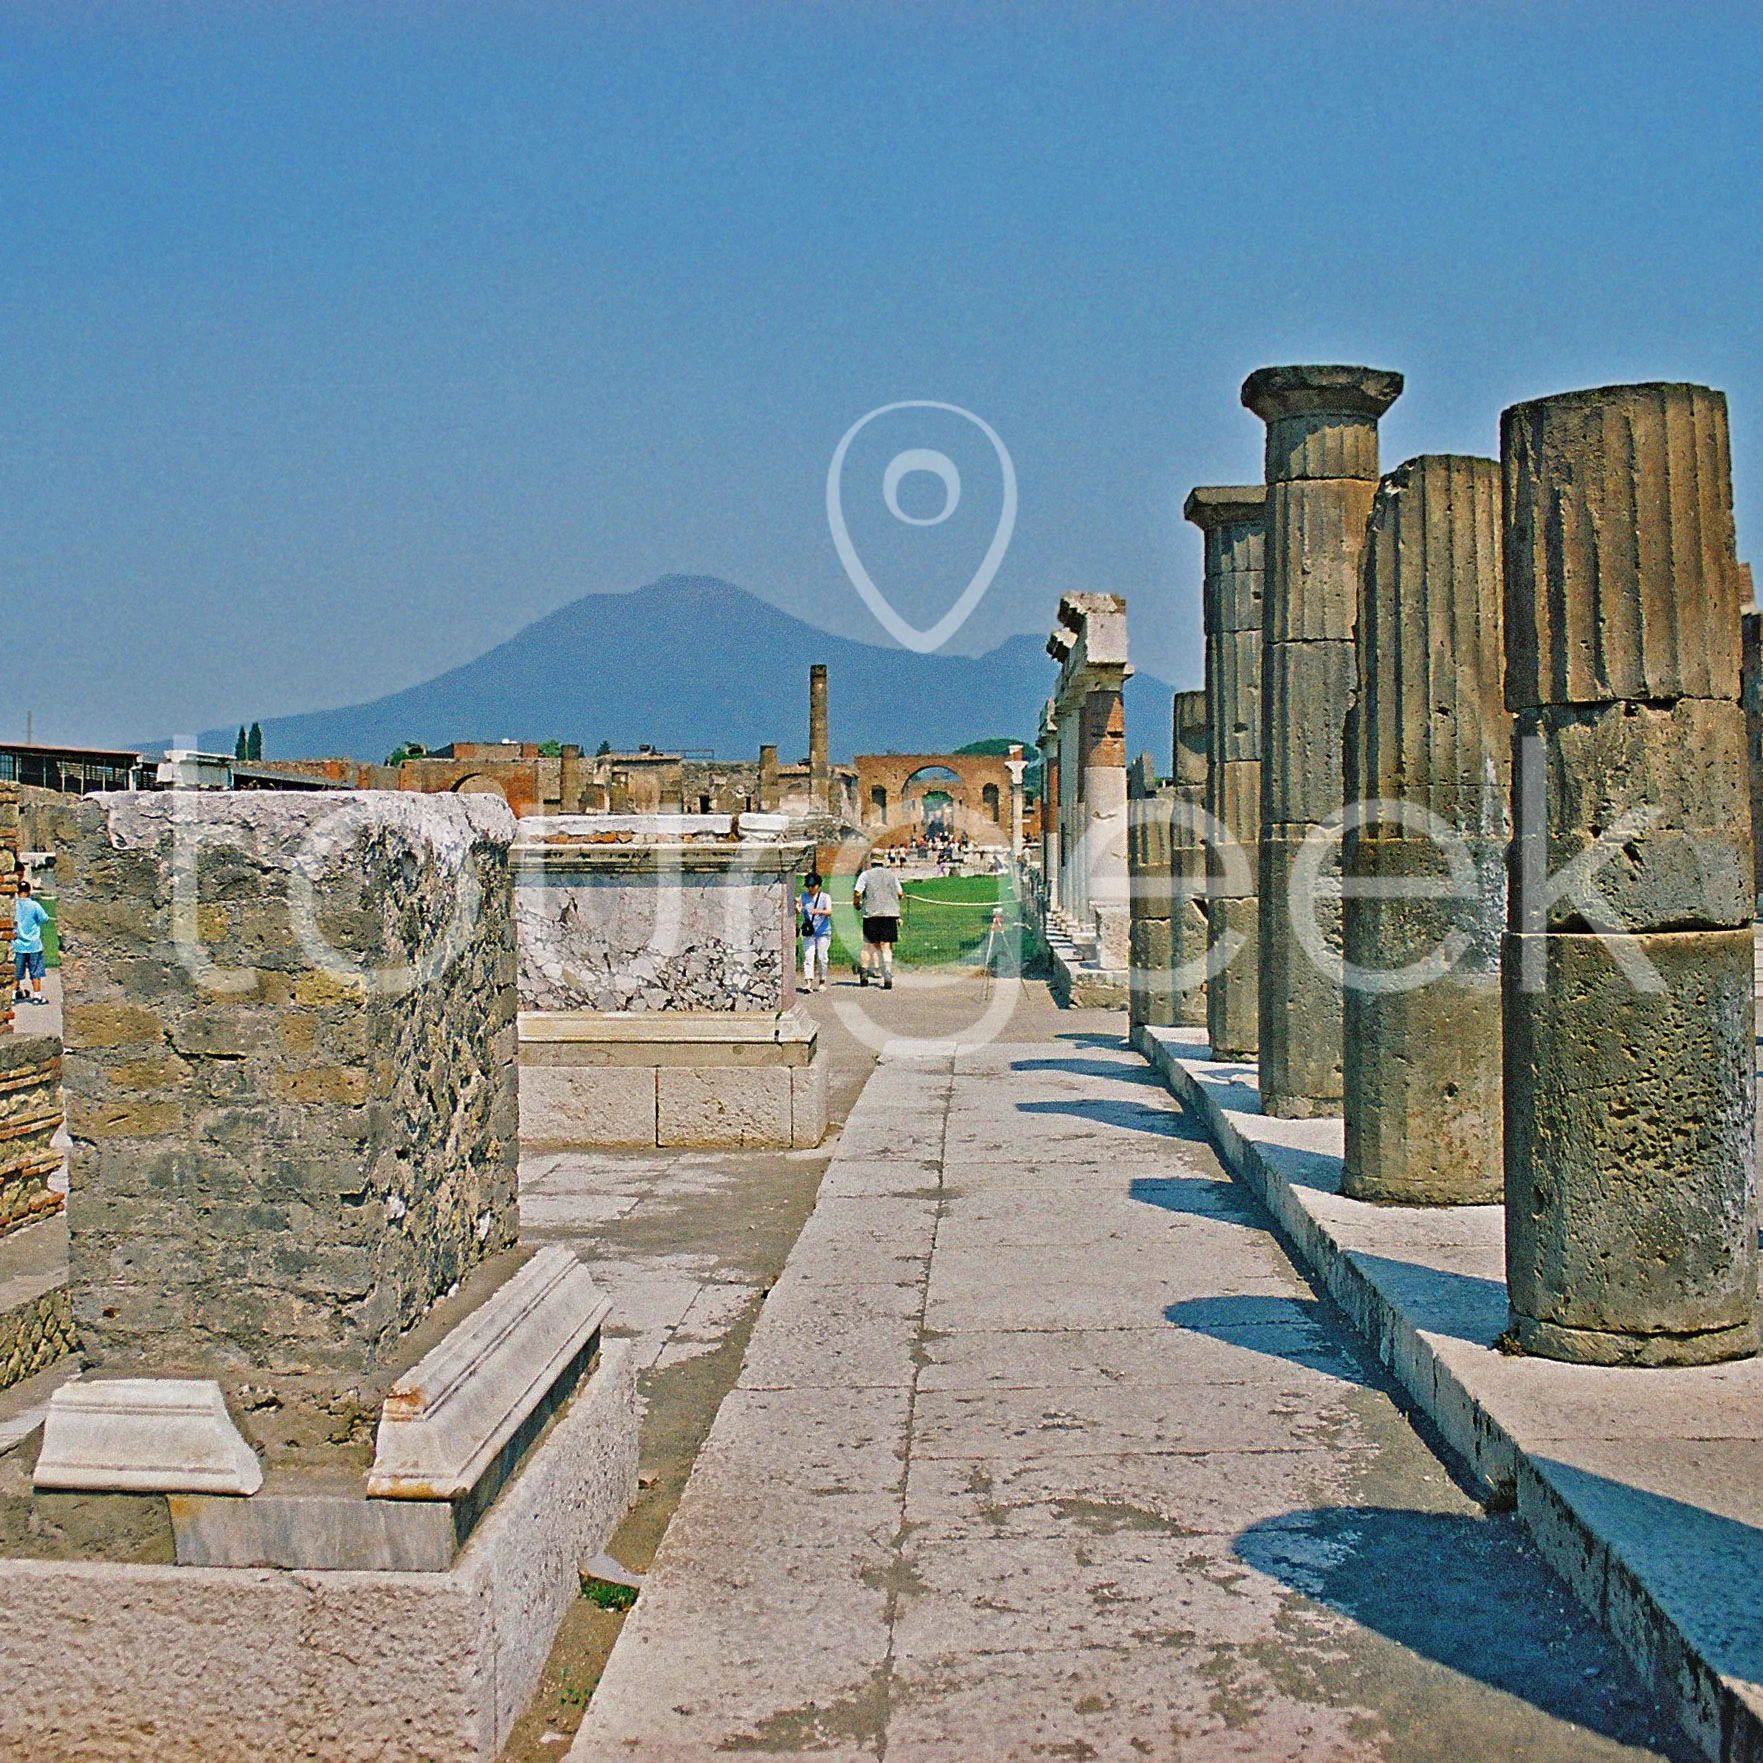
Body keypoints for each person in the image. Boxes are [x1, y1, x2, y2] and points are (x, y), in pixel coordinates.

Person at [853, 856, 903, 989]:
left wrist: (856, 904)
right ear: (883, 861)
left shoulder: (866, 875)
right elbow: (900, 893)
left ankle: (864, 974)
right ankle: (887, 972)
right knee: (886, 946)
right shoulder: (892, 876)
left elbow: (858, 893)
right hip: (889, 914)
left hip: (871, 914)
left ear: (872, 861)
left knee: (868, 946)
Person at [13, 877, 49, 1007]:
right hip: (33, 944)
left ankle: (12, 994)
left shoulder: (14, 905)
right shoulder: (34, 905)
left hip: (17, 944)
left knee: (16, 972)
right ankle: (37, 995)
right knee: (35, 971)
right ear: (29, 891)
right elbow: (44, 918)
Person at [798, 870, 833, 992]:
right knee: (808, 956)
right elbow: (799, 910)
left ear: (818, 885)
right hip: (808, 931)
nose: (810, 888)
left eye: (812, 886)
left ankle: (822, 980)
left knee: (822, 957)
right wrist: (797, 908)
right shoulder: (803, 897)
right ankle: (808, 982)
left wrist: (818, 911)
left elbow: (829, 912)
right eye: (808, 886)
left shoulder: (825, 897)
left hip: (823, 931)